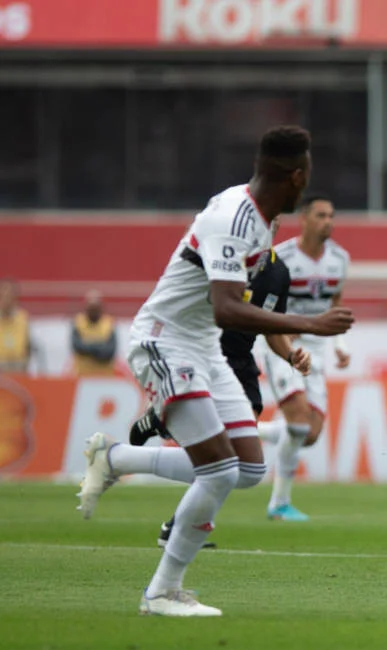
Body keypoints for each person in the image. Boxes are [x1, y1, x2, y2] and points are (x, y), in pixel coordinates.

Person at [77, 125, 354, 617]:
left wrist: (289, 345)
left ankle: (115, 458)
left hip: (205, 349)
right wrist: (310, 323)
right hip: (165, 341)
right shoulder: (233, 218)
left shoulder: (261, 222)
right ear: (296, 177)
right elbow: (227, 308)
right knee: (220, 471)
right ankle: (161, 592)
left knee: (247, 470)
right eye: (307, 176)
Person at [128, 245, 310, 549]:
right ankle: (176, 526)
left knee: (240, 461)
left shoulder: (279, 273)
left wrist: (290, 355)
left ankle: (152, 438)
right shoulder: (226, 254)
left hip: (241, 362)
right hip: (204, 355)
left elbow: (271, 328)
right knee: (221, 457)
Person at [260, 193, 351, 522]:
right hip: (282, 343)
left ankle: (241, 431)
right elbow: (265, 305)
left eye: (331, 215)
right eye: (321, 215)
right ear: (304, 218)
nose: (328, 221)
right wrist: (282, 334)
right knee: (298, 422)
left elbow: (335, 306)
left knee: (310, 433)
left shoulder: (339, 259)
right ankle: (279, 503)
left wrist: (340, 343)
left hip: (317, 347)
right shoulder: (281, 257)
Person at [70, 290, 118, 376]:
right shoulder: (78, 322)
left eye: (95, 308)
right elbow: (78, 347)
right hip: (82, 377)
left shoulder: (109, 324)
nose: (93, 311)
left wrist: (88, 347)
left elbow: (109, 352)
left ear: (101, 308)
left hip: (104, 377)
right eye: (91, 308)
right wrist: (99, 347)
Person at [0, 279, 31, 374]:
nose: (6, 300)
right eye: (3, 296)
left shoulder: (23, 319)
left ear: (15, 299)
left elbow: (24, 349)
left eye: (9, 296)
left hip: (18, 369)